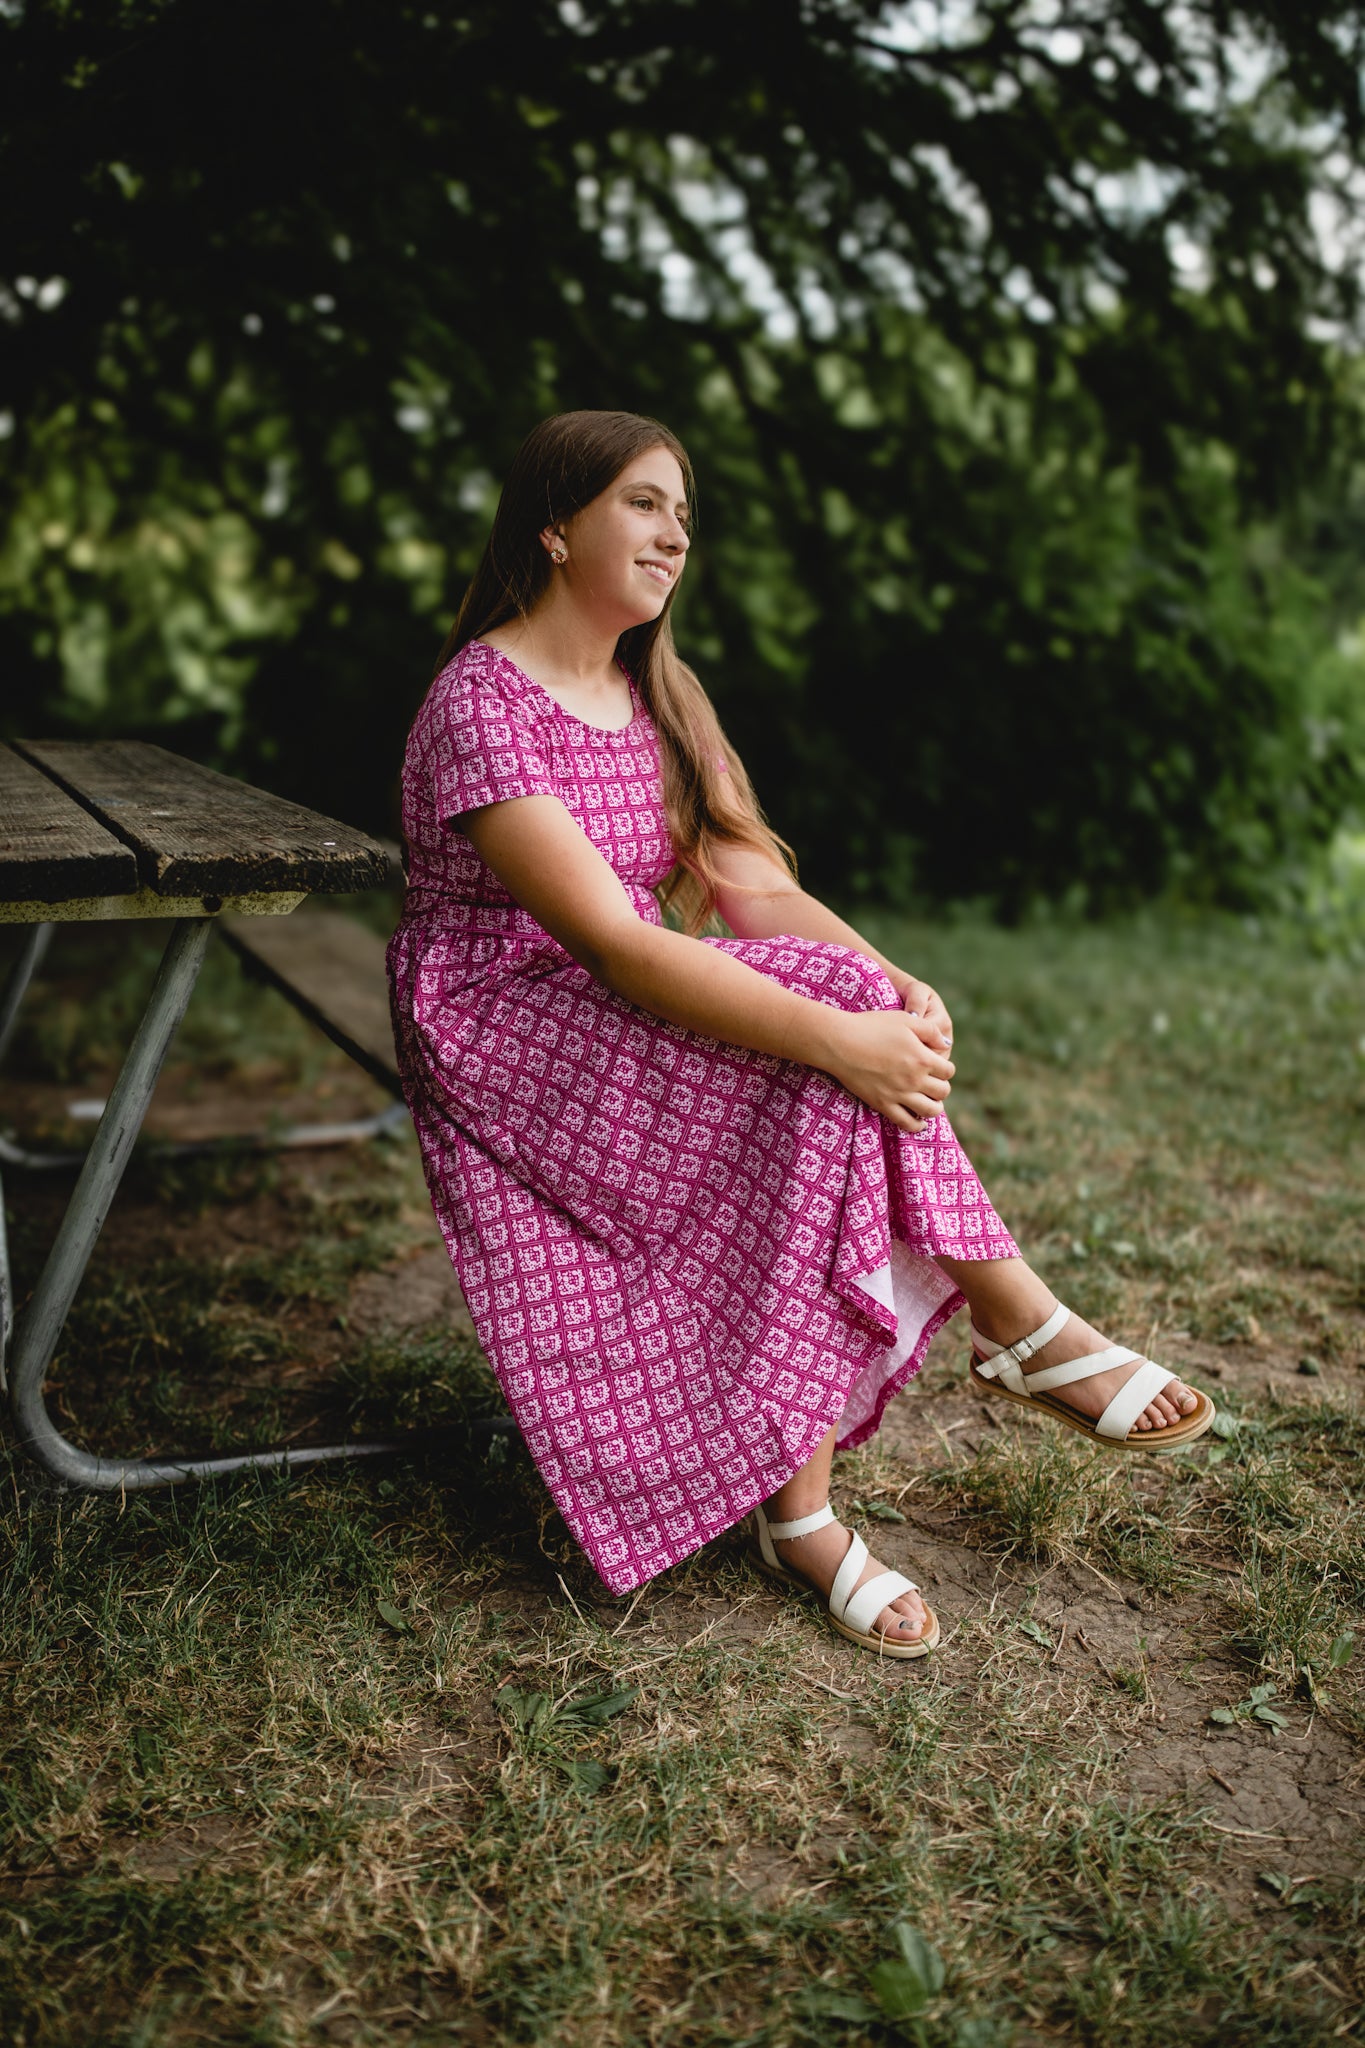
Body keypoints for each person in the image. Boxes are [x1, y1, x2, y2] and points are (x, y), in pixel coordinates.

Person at [387, 409, 1214, 1659]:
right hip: (503, 1021)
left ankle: (839, 1485)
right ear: (555, 527)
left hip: (610, 1002)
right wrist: (838, 1031)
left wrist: (890, 980)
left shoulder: (654, 690)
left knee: (828, 1044)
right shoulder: (481, 700)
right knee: (817, 1053)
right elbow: (616, 943)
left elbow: (749, 891)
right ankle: (1009, 1342)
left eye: (684, 514)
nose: (674, 534)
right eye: (644, 503)